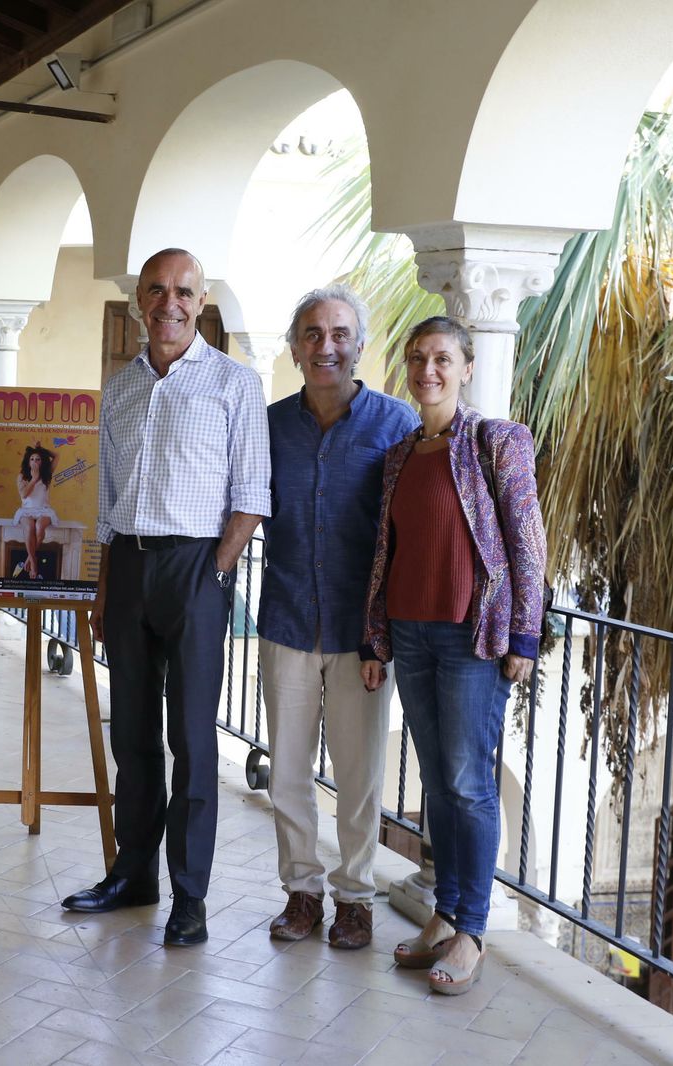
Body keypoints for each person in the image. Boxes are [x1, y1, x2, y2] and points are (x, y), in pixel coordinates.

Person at [60, 249, 270, 947]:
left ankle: (190, 896)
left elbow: (251, 497)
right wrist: (103, 589)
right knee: (133, 735)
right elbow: (108, 502)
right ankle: (133, 874)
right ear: (138, 302)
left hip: (195, 569)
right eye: (156, 290)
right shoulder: (119, 386)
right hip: (128, 565)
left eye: (183, 291)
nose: (169, 303)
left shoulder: (235, 383)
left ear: (201, 300)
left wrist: (212, 573)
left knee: (192, 739)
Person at [362, 315, 547, 994]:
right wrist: (375, 635)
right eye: (417, 358)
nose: (427, 370)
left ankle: (471, 930)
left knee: (469, 783)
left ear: (466, 367)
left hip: (473, 638)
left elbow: (527, 543)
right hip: (411, 634)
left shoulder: (497, 442)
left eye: (442, 358)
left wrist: (525, 636)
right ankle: (445, 915)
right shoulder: (401, 455)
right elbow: (389, 551)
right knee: (438, 782)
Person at [258, 285, 419, 950]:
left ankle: (355, 898)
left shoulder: (397, 424)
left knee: (359, 774)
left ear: (359, 344)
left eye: (340, 333)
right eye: (312, 334)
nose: (327, 346)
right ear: (295, 348)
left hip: (364, 635)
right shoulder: (267, 426)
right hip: (287, 617)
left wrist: (392, 630)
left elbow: (412, 528)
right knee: (288, 770)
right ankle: (302, 893)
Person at [13, 443, 58, 579]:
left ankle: (29, 558)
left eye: (38, 459)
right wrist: (33, 479)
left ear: (42, 461)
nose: (35, 462)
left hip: (43, 510)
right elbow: (24, 495)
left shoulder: (47, 473)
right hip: (26, 510)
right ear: (28, 461)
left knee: (39, 527)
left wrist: (41, 449)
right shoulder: (22, 476)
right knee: (29, 527)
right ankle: (34, 562)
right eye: (32, 459)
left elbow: (56, 456)